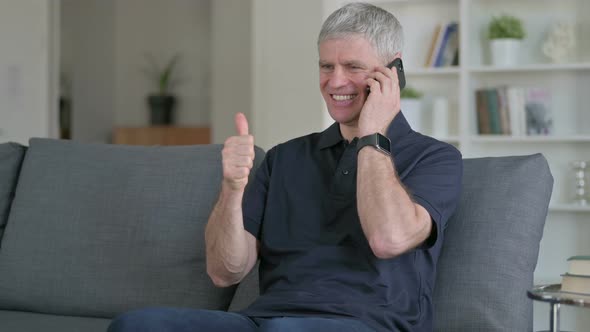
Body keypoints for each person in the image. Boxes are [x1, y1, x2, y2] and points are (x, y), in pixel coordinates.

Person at [107, 3, 462, 332]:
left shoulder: (434, 158)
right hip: (266, 321)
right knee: (137, 324)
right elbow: (224, 271)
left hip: (366, 323)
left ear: (392, 71)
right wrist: (232, 188)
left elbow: (388, 239)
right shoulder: (283, 158)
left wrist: (371, 135)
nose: (335, 82)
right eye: (326, 66)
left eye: (353, 67)